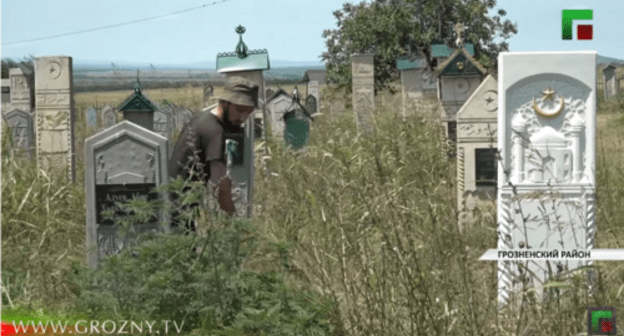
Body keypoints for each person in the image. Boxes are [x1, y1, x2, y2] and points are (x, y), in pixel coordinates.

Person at [168, 76, 259, 232]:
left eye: (248, 112)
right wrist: (236, 222)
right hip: (179, 204)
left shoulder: (203, 118)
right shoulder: (215, 131)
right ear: (224, 103)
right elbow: (220, 184)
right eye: (240, 110)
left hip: (174, 199)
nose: (243, 118)